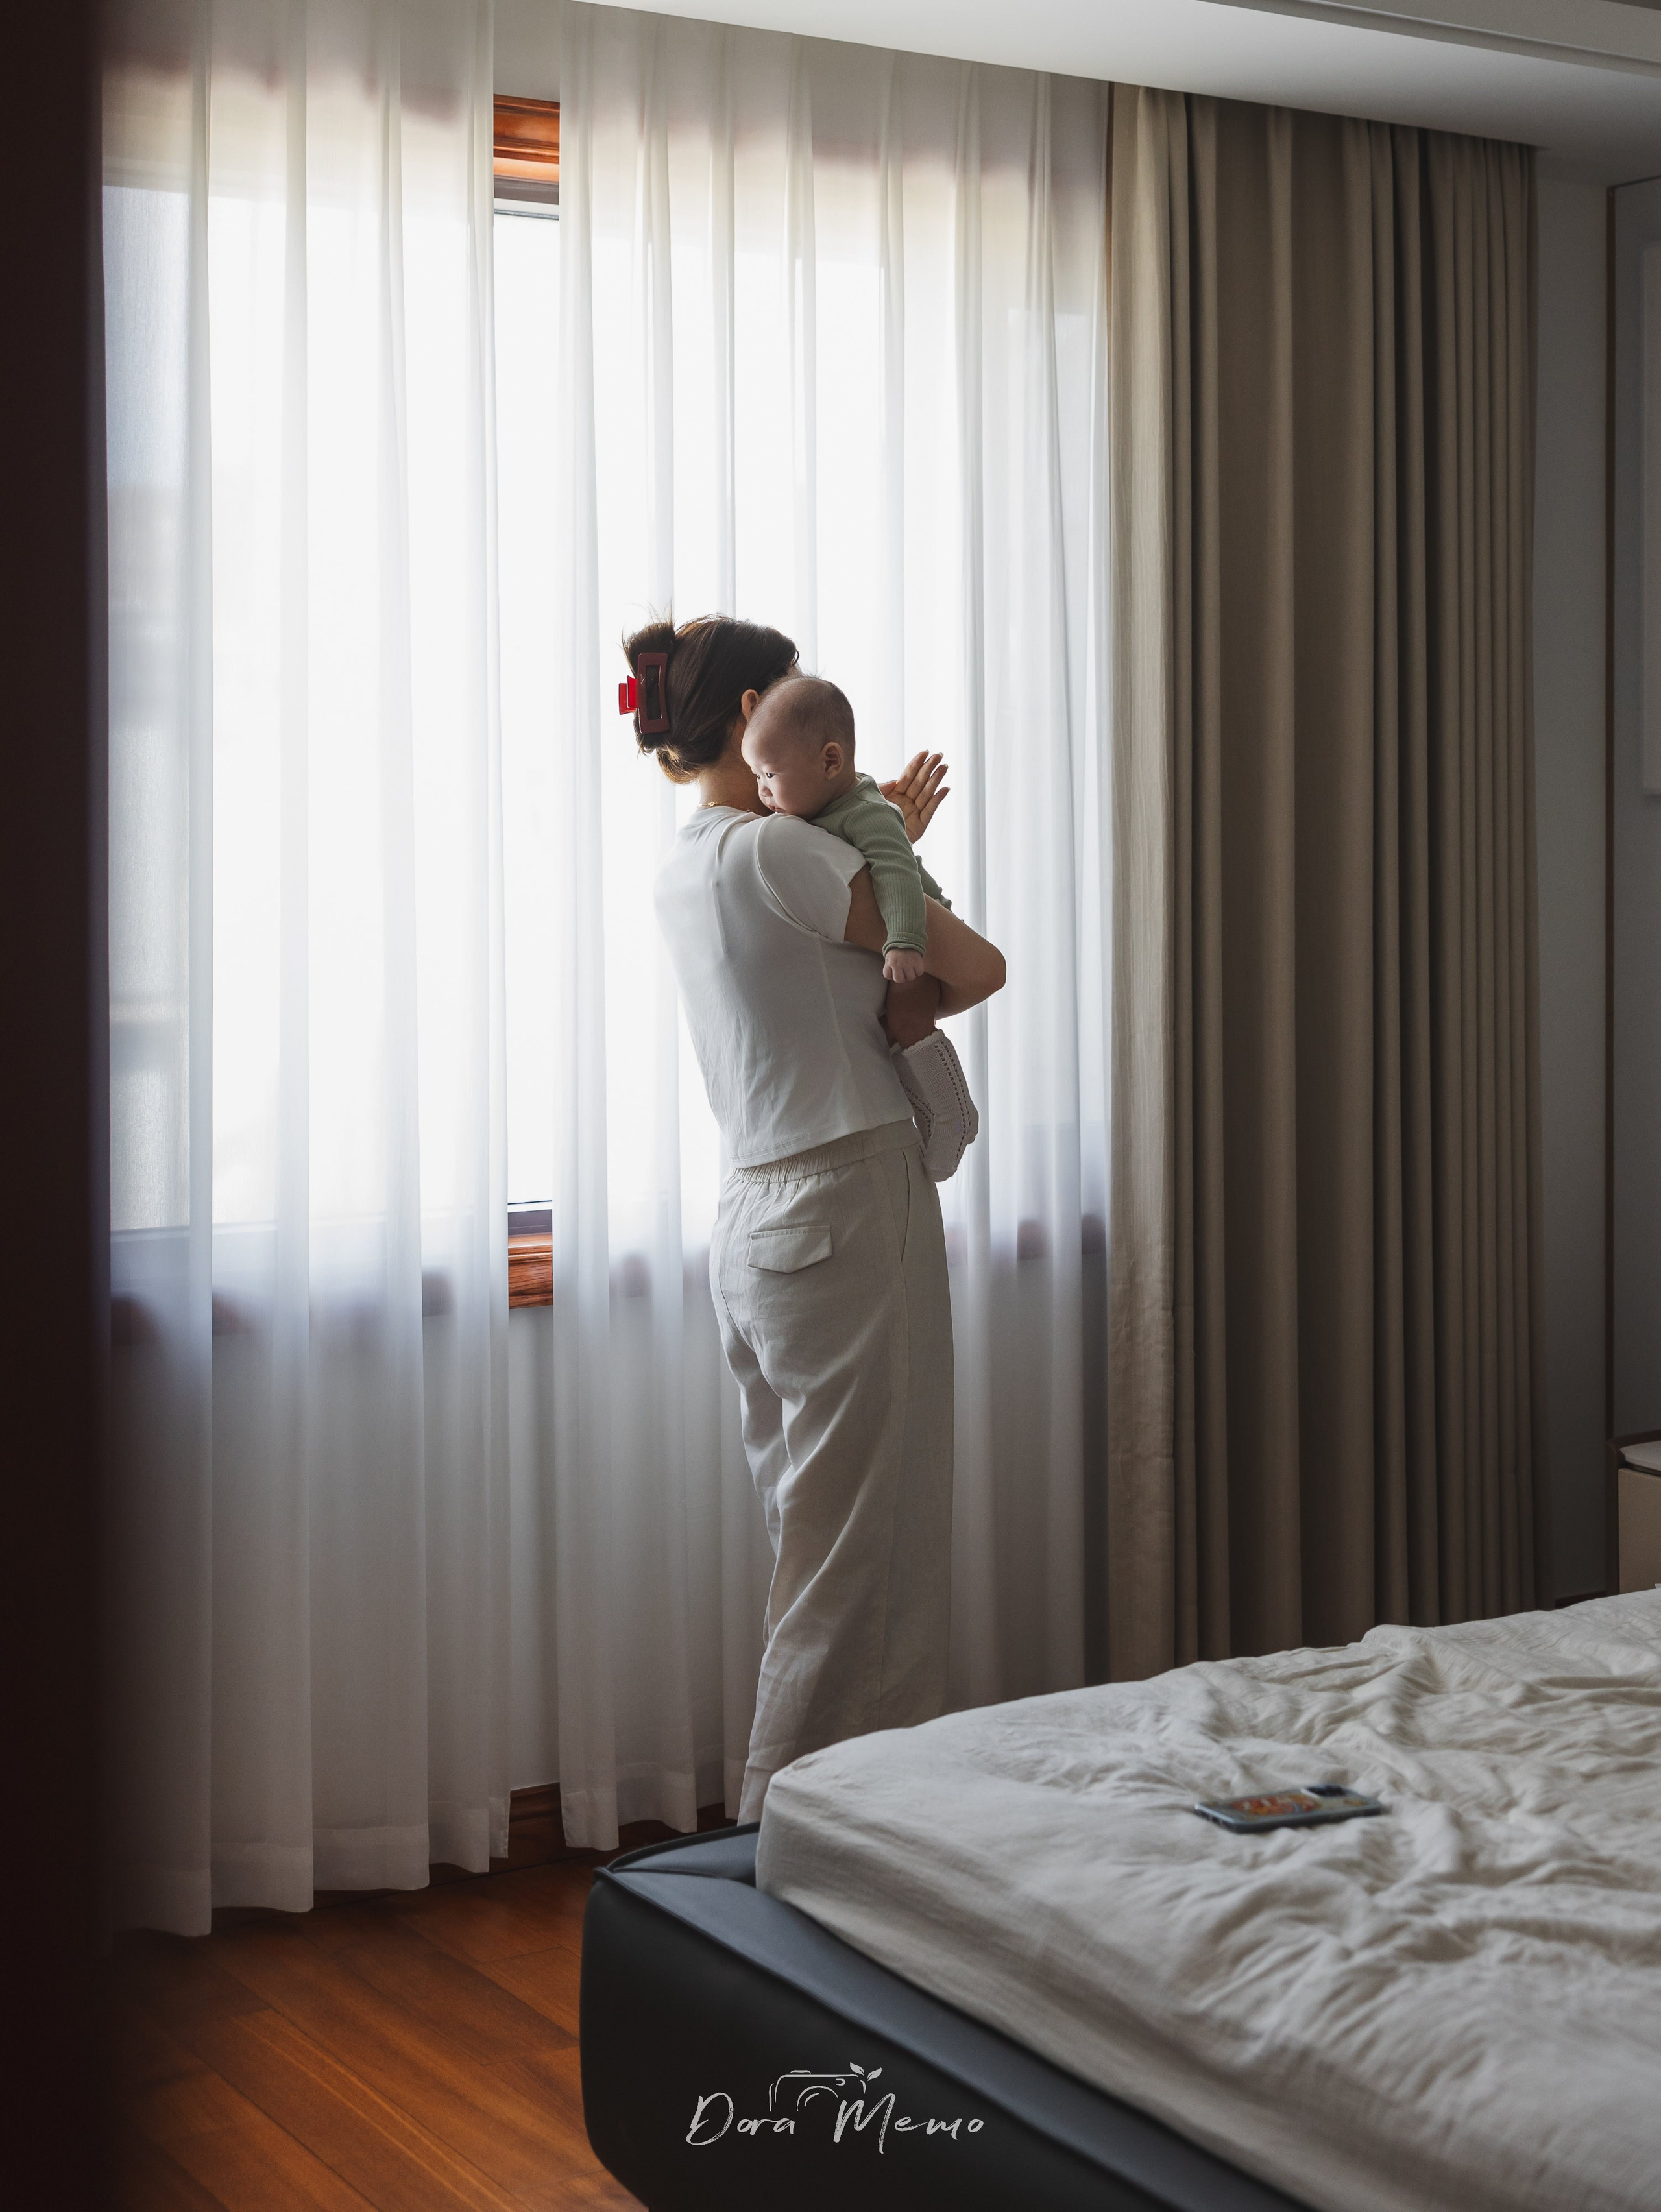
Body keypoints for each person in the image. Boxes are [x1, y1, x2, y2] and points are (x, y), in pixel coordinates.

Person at [629, 614, 1007, 1822]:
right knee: (867, 1572)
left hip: (756, 1219)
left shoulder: (693, 860)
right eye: (786, 697)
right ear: (750, 716)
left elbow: (835, 977)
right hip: (844, 1204)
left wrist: (871, 847)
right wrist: (878, 838)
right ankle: (805, 1853)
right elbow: (976, 965)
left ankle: (787, 1841)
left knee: (817, 1559)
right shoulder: (783, 855)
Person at [740, 673, 982, 1181]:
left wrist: (906, 943)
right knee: (890, 1033)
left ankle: (953, 1117)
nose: (762, 793)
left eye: (768, 775)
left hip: (915, 937)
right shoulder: (825, 807)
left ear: (830, 761)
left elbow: (896, 874)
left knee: (908, 1024)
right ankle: (937, 1114)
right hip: (897, 939)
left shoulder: (870, 813)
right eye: (758, 779)